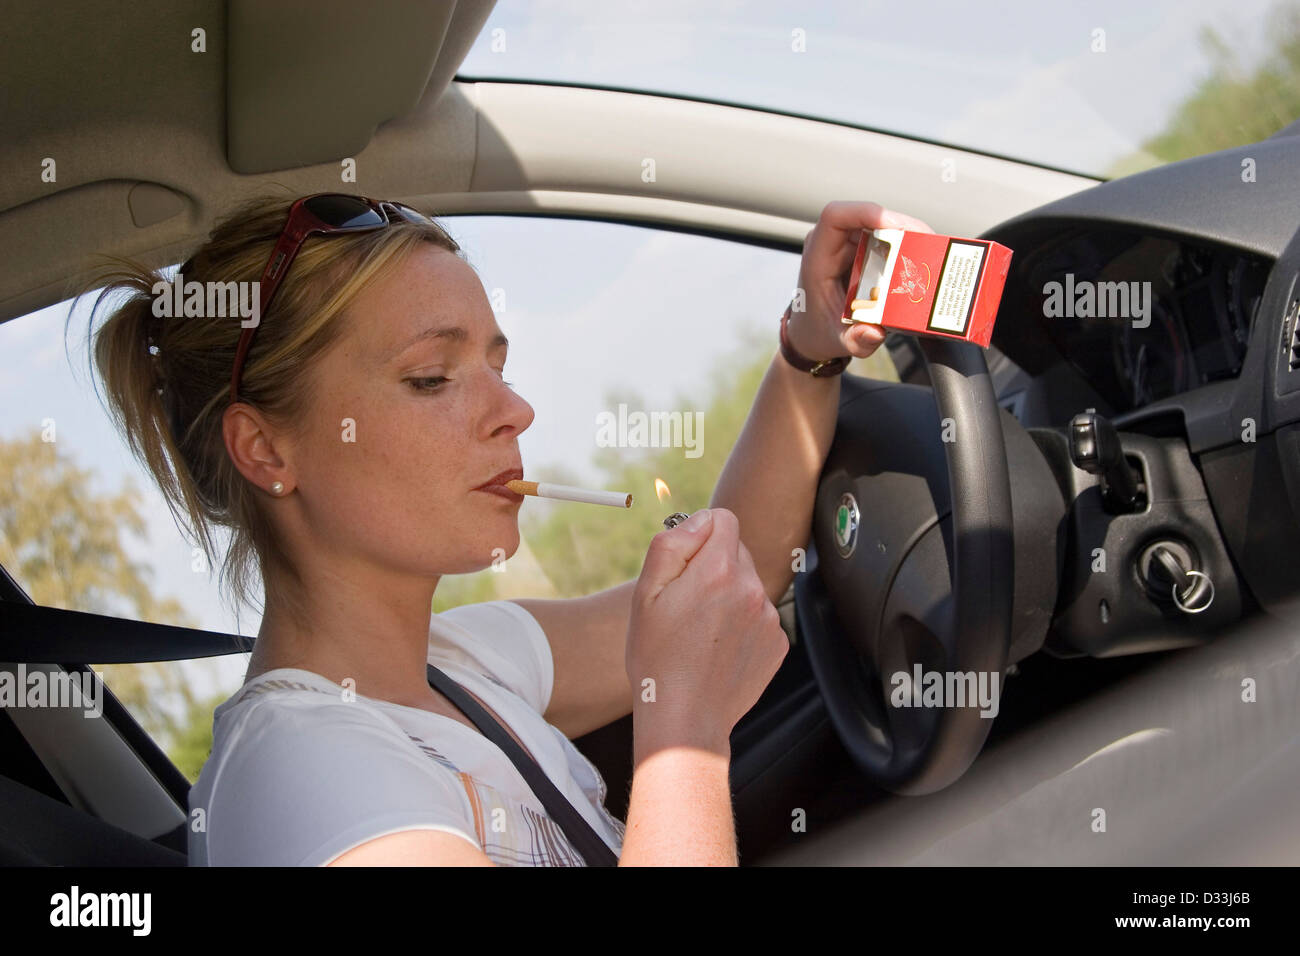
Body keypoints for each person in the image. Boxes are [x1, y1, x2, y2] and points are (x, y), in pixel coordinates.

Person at [80, 192, 930, 866]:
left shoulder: (459, 663)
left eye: (498, 363)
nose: (514, 409)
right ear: (266, 449)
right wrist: (685, 730)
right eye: (430, 377)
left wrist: (811, 350)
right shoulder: (302, 778)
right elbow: (687, 680)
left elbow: (734, 576)